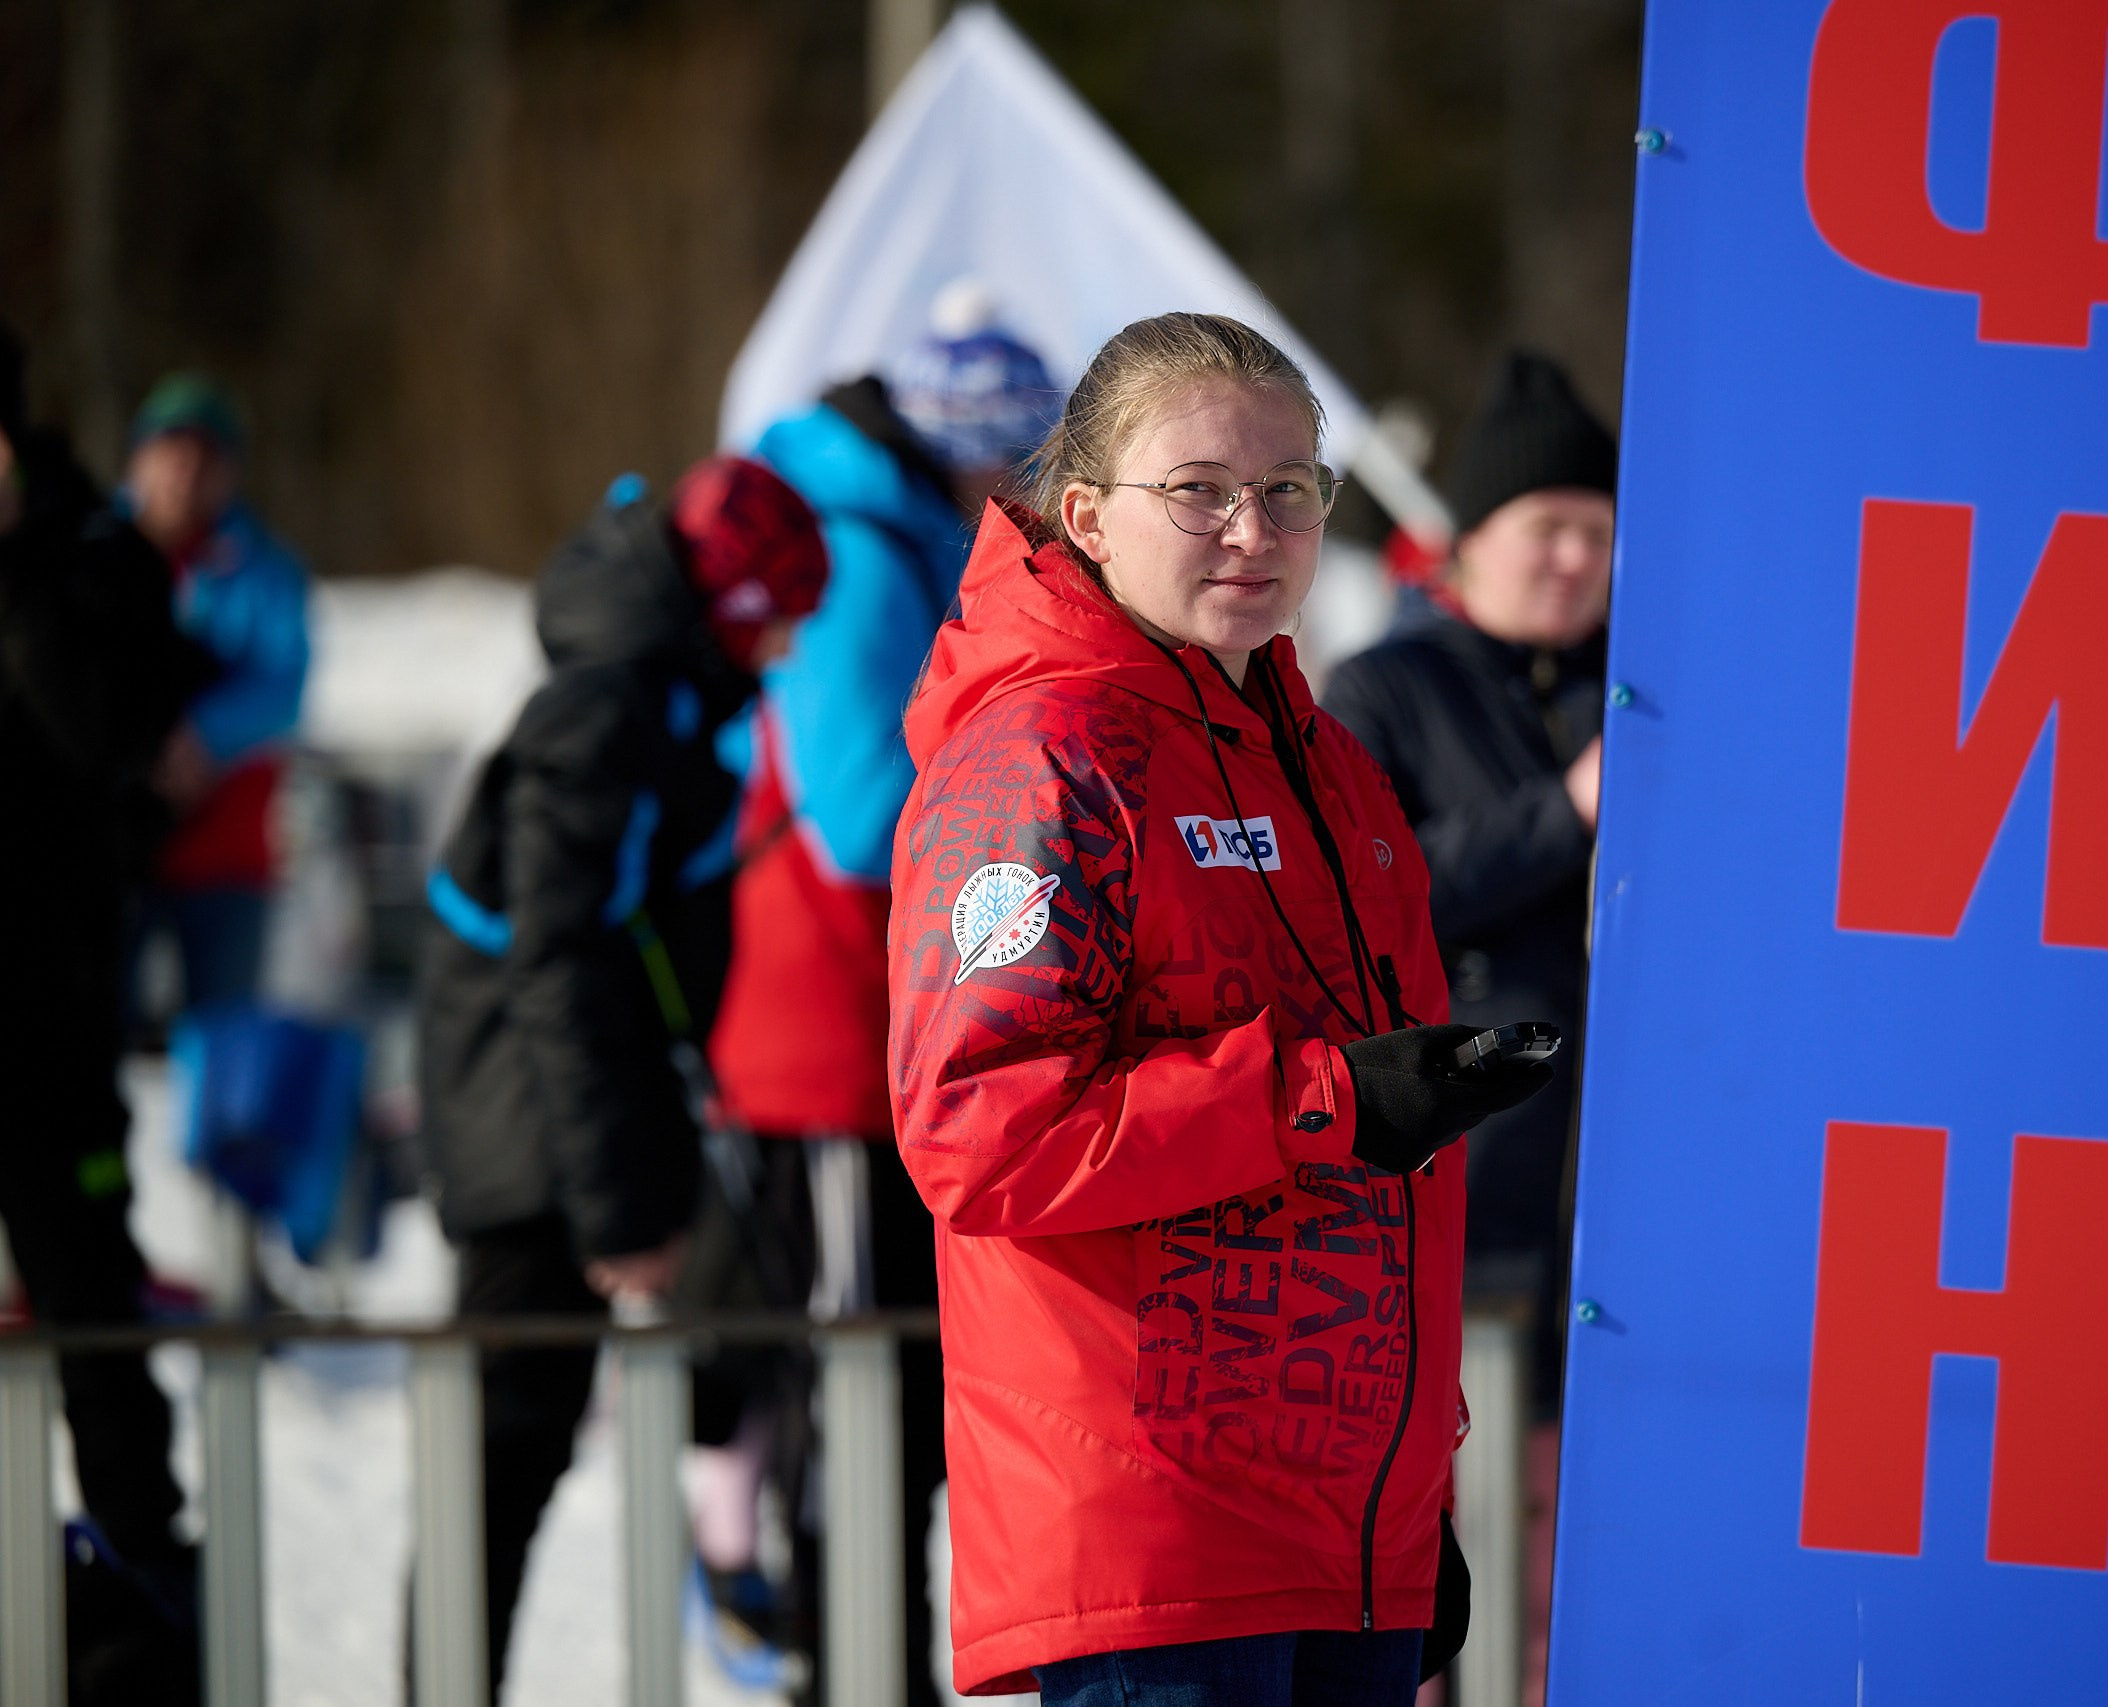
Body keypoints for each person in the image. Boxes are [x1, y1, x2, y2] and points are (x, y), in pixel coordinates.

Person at [887, 311, 1553, 1705]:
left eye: (1288, 489)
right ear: (1087, 515)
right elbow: (982, 1132)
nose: (1253, 531)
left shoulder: (1332, 767)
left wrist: (1405, 1498)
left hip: (1344, 1524)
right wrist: (1325, 1099)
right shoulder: (1041, 754)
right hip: (1155, 1532)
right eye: (1198, 490)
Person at [413, 456, 827, 1697]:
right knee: (497, 1462)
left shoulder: (659, 696)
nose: (789, 650)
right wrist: (616, 1208)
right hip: (528, 1130)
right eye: (783, 617)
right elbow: (563, 965)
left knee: (513, 1463)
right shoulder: (606, 711)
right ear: (734, 606)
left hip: (556, 1113)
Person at [698, 294, 1058, 1700]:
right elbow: (858, 820)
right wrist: (1024, 799)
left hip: (881, 1023)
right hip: (830, 1038)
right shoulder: (861, 553)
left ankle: (862, 1655)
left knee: (891, 1386)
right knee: (862, 1386)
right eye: (1018, 459)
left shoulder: (900, 529)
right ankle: (845, 1660)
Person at [1323, 350, 1616, 1415]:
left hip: (1618, 1140)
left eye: (1598, 533)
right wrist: (1566, 812)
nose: (1574, 558)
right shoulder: (1386, 687)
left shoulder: (1638, 687)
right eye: (1548, 528)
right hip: (1465, 1139)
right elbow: (1364, 891)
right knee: (1466, 1422)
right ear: (1475, 537)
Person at [0, 321, 214, 1700]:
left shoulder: (89, 550)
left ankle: (145, 1586)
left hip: (48, 1016)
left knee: (91, 1305)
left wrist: (17, 560)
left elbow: (113, 737)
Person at [119, 373, 311, 1028]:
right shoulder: (88, 549)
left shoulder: (264, 567)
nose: (187, 475)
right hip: (112, 844)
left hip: (225, 848)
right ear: (139, 460)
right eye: (172, 455)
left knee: (224, 1043)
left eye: (205, 459)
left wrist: (200, 738)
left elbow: (285, 685)